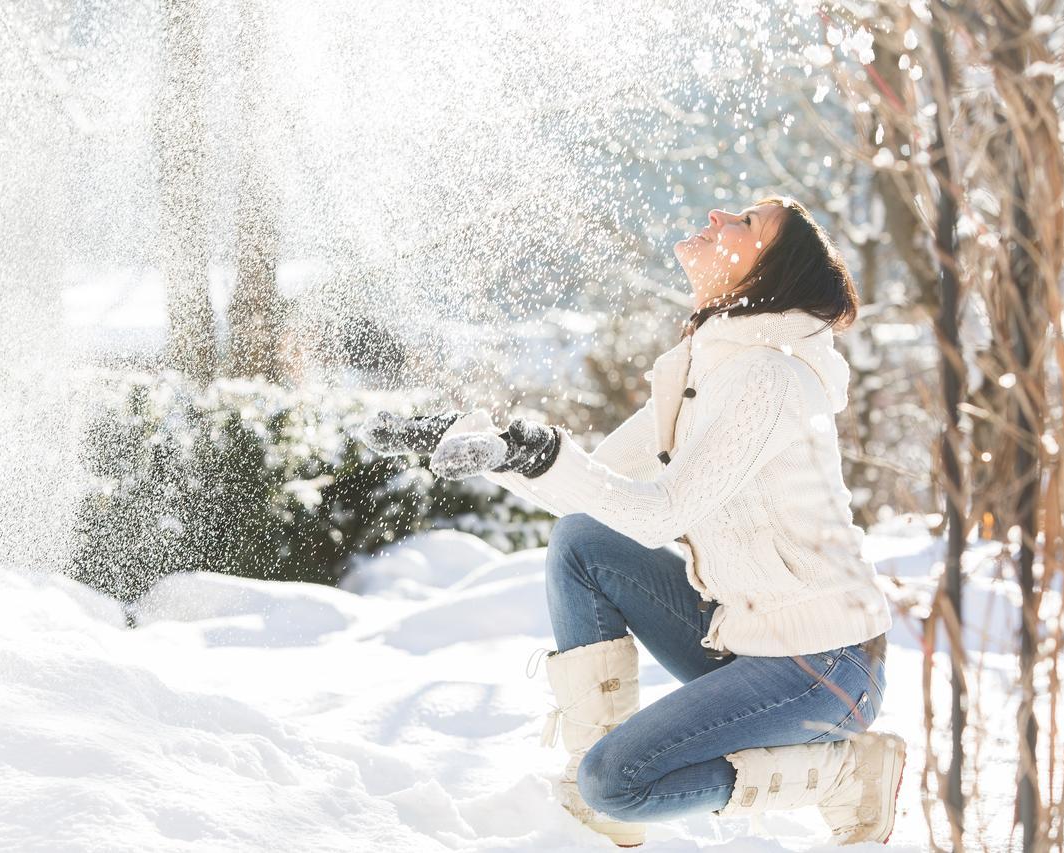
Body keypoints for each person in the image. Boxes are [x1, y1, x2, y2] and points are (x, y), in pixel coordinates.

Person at [357, 195, 906, 847]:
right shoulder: (715, 370)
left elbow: (660, 512)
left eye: (745, 224)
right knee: (582, 543)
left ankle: (844, 774)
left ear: (769, 272)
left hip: (826, 665)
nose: (717, 218)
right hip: (746, 637)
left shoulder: (770, 377)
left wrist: (542, 455)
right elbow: (598, 485)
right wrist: (482, 441)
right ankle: (597, 802)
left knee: (619, 780)